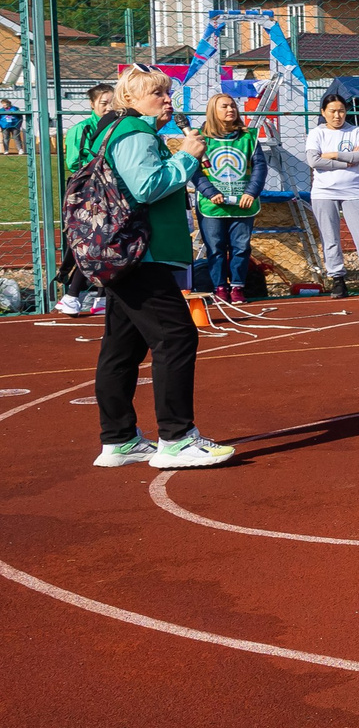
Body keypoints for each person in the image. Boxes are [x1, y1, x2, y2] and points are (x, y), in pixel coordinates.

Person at [87, 68, 234, 470]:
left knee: (123, 347)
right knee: (176, 337)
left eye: (168, 93)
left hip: (122, 252)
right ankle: (177, 437)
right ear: (131, 100)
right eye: (157, 93)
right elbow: (146, 186)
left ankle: (118, 440)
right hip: (141, 254)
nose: (167, 100)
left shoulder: (113, 130)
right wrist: (187, 156)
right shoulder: (133, 132)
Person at [305, 91, 359, 297]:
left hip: (352, 191)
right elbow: (314, 161)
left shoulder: (356, 131)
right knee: (330, 237)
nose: (337, 115)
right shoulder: (317, 133)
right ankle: (338, 279)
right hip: (323, 192)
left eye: (341, 111)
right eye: (332, 111)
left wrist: (333, 154)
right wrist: (346, 161)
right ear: (323, 112)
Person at [190, 91, 267, 304]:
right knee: (215, 248)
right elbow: (194, 170)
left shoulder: (248, 137)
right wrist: (210, 191)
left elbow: (260, 166)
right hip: (212, 205)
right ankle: (219, 287)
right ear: (213, 111)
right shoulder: (200, 137)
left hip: (242, 204)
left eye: (232, 105)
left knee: (241, 247)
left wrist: (251, 192)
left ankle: (238, 287)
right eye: (224, 106)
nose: (230, 109)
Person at [56, 84, 119, 313]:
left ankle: (101, 298)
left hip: (111, 190)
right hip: (87, 190)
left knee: (111, 239)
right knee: (89, 239)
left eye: (113, 102)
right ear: (92, 104)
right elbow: (73, 162)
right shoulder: (82, 129)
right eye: (104, 103)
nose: (109, 107)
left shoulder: (118, 127)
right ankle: (73, 294)